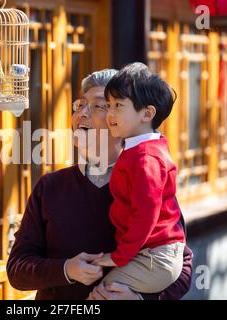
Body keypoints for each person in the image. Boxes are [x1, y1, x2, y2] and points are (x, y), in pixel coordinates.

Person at [6, 68, 193, 300]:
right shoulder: (50, 187)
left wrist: (141, 300)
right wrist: (66, 269)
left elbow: (181, 264)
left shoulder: (148, 179)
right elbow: (17, 269)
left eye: (98, 105)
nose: (81, 113)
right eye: (79, 104)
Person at [91, 63, 185, 294]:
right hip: (149, 253)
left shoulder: (146, 158)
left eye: (119, 105)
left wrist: (118, 257)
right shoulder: (139, 150)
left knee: (103, 293)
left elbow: (146, 214)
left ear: (147, 113)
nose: (110, 114)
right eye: (109, 105)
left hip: (154, 257)